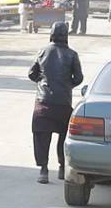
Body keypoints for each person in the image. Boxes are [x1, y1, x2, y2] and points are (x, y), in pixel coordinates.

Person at [27, 22, 83, 183]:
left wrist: (43, 81)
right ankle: (62, 167)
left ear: (51, 34)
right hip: (63, 103)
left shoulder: (43, 52)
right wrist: (66, 85)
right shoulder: (72, 54)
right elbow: (78, 78)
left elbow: (32, 74)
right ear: (66, 36)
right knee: (64, 136)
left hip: (43, 102)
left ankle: (43, 170)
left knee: (41, 137)